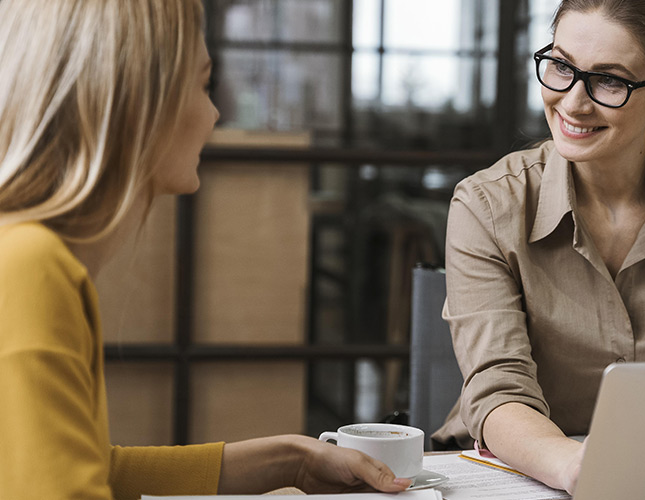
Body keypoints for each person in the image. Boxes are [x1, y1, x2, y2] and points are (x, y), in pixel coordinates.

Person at [0, 1, 412, 498]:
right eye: (202, 85)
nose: (214, 114)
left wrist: (292, 460)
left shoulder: (28, 255)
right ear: (137, 102)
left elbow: (95, 470)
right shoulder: (30, 270)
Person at [432, 0, 645, 494]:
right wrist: (586, 470)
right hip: (516, 472)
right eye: (560, 66)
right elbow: (499, 391)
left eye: (609, 81)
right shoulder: (486, 206)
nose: (573, 102)